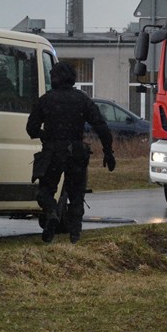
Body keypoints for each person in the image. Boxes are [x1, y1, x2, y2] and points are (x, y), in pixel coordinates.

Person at [26, 62, 115, 243]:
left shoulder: (46, 100)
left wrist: (46, 135)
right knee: (76, 195)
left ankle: (52, 212)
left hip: (53, 152)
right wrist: (108, 152)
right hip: (76, 152)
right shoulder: (82, 100)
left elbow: (31, 129)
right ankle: (75, 235)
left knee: (44, 191)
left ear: (55, 78)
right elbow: (102, 127)